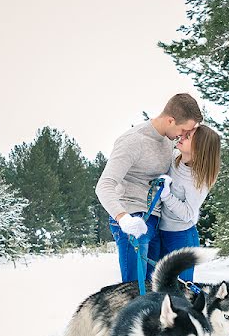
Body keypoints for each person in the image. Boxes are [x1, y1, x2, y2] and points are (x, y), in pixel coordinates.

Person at [95, 93, 203, 283]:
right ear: (171, 120)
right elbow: (104, 186)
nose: (184, 135)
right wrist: (123, 219)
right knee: (134, 290)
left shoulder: (169, 141)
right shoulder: (132, 141)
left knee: (154, 289)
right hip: (133, 217)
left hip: (155, 219)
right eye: (184, 130)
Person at [157, 124, 221, 282]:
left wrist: (166, 195)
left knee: (180, 289)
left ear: (199, 148)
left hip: (181, 237)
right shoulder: (174, 157)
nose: (182, 137)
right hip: (161, 230)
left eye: (188, 137)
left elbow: (188, 213)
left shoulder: (198, 181)